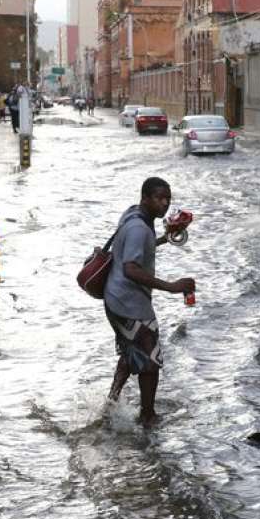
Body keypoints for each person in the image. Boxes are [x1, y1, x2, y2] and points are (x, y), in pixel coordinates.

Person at [103, 177, 195, 426]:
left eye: (168, 199)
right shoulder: (139, 228)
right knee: (150, 360)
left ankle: (110, 403)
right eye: (159, 198)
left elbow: (137, 248)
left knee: (132, 349)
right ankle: (147, 416)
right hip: (129, 303)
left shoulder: (133, 215)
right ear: (145, 198)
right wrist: (172, 287)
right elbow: (131, 268)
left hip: (115, 299)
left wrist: (166, 238)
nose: (165, 204)